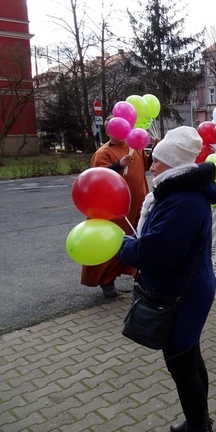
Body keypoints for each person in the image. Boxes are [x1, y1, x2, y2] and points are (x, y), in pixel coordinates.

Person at [118, 126, 216, 432]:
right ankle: (200, 420)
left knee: (181, 362)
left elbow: (156, 253)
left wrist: (124, 246)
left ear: (175, 164)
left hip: (182, 294)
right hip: (187, 288)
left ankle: (197, 427)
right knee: (188, 355)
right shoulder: (180, 194)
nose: (151, 167)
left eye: (157, 161)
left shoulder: (183, 201)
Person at [81, 115, 150, 298]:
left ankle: (137, 278)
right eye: (116, 129)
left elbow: (148, 164)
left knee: (138, 241)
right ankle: (106, 281)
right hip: (115, 209)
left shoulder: (135, 147)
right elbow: (98, 177)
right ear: (108, 131)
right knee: (112, 243)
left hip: (138, 206)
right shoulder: (103, 153)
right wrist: (118, 164)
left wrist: (157, 147)